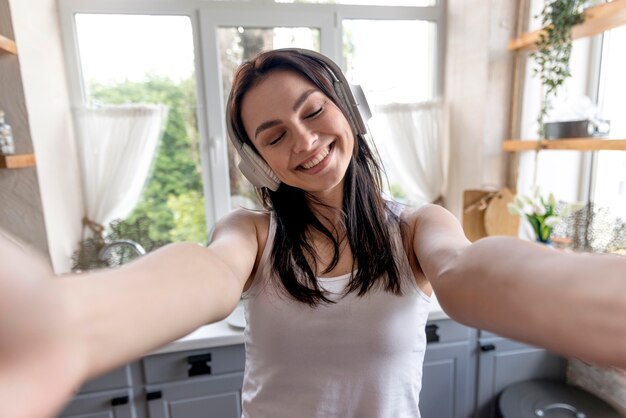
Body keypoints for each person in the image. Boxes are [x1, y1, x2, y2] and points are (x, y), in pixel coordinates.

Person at [1, 48, 625, 418]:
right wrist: (59, 319)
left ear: (348, 108)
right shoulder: (249, 235)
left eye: (312, 110)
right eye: (273, 135)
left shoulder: (416, 226)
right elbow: (206, 275)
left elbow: (465, 275)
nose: (303, 140)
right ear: (256, 164)